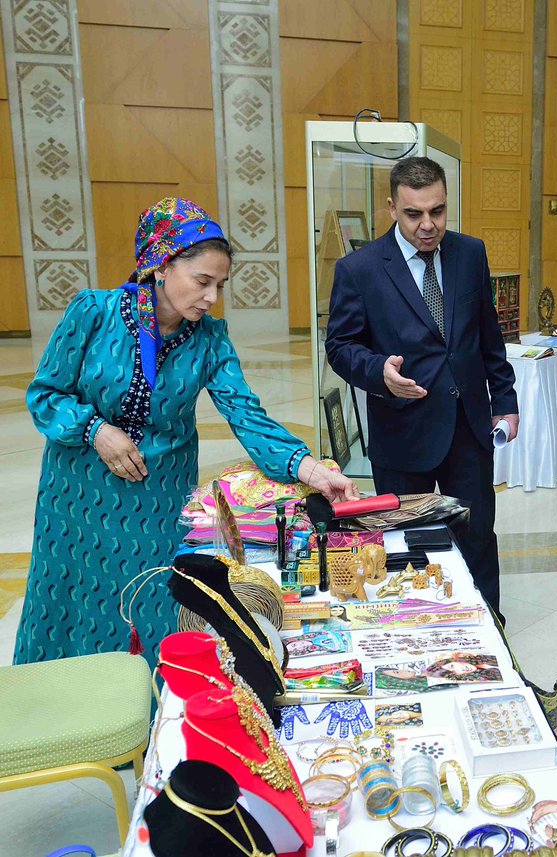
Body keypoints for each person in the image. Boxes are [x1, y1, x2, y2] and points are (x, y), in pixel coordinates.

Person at [15, 198, 357, 666]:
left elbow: (246, 414)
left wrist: (313, 469)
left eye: (220, 285)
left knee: (156, 605)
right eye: (202, 281)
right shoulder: (93, 313)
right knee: (76, 605)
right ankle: (74, 720)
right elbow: (45, 395)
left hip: (158, 500)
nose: (211, 297)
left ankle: (156, 721)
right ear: (160, 266)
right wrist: (97, 430)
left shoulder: (209, 338)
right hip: (79, 497)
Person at [325, 157, 518, 615]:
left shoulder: (470, 253)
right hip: (402, 431)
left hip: (469, 428)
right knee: (406, 541)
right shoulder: (360, 269)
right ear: (392, 207)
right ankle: (418, 625)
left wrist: (505, 400)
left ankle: (488, 621)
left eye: (438, 211)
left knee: (477, 533)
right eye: (414, 214)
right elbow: (340, 346)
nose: (428, 225)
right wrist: (379, 374)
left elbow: (487, 335)